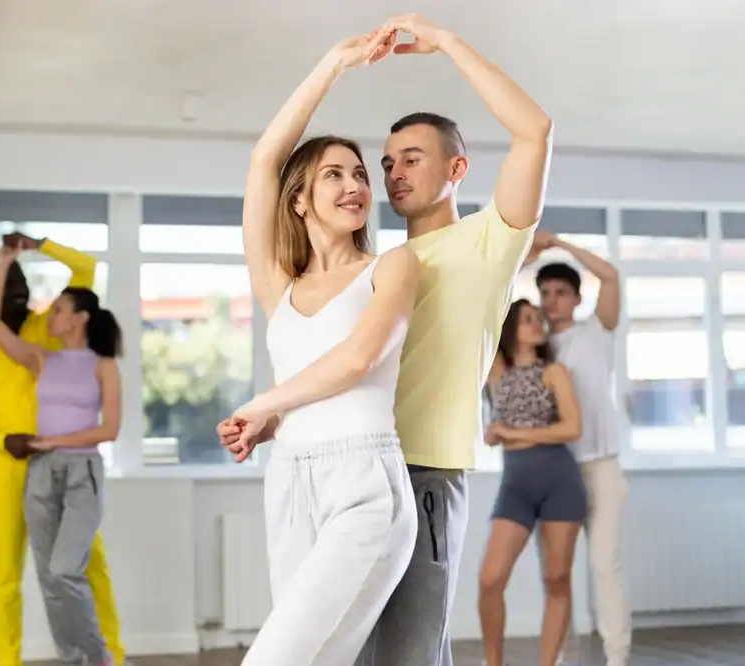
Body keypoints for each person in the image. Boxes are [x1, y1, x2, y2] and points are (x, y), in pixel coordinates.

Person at [219, 12, 553, 666]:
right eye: (386, 163)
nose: (391, 173)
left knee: (409, 656)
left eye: (413, 159)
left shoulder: (489, 241)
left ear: (457, 167)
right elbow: (265, 169)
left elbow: (535, 131)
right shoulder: (378, 266)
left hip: (422, 469)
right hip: (332, 466)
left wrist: (449, 43)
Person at [219, 29, 420, 666]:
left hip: (366, 485)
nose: (354, 184)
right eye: (332, 174)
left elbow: (358, 359)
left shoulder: (392, 268)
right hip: (291, 483)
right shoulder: (280, 285)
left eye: (359, 174)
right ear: (299, 199)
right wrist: (334, 63)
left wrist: (263, 404)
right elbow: (261, 163)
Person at [0, 231, 126, 666]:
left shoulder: (47, 330)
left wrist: (38, 245)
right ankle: (11, 661)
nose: (20, 294)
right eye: (8, 286)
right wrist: (3, 441)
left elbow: (84, 275)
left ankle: (110, 656)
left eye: (23, 285)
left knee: (84, 568)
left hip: (70, 463)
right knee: (8, 576)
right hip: (10, 468)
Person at [528, 231, 629, 666]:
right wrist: (528, 255)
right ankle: (561, 658)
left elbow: (611, 277)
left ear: (575, 297)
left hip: (601, 469)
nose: (551, 300)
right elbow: (491, 308)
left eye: (560, 292)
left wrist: (560, 246)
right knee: (556, 575)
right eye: (545, 293)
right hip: (556, 474)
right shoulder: (535, 346)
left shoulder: (597, 330)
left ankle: (617, 657)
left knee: (605, 566)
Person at [479, 298, 586, 666]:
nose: (537, 323)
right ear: (511, 328)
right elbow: (482, 310)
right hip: (516, 487)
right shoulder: (495, 368)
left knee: (556, 579)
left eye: (537, 318)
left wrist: (512, 433)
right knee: (491, 580)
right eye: (527, 319)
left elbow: (572, 428)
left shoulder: (553, 371)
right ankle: (494, 663)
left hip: (561, 482)